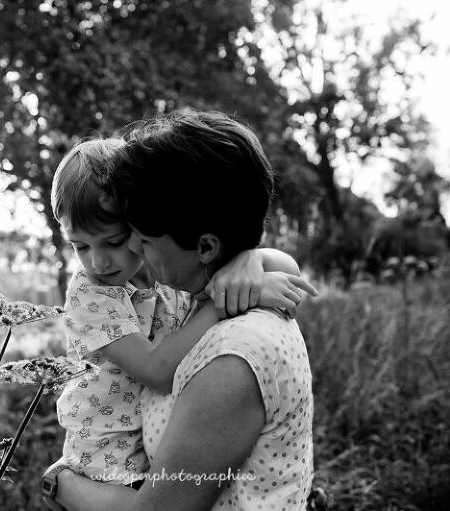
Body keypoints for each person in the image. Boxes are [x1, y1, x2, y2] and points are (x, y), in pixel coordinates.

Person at [49, 110, 315, 511]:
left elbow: (289, 271)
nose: (98, 261)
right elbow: (156, 369)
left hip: (132, 470)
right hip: (105, 455)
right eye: (80, 246)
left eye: (122, 239)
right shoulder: (95, 294)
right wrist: (222, 297)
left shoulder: (225, 343)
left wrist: (250, 259)